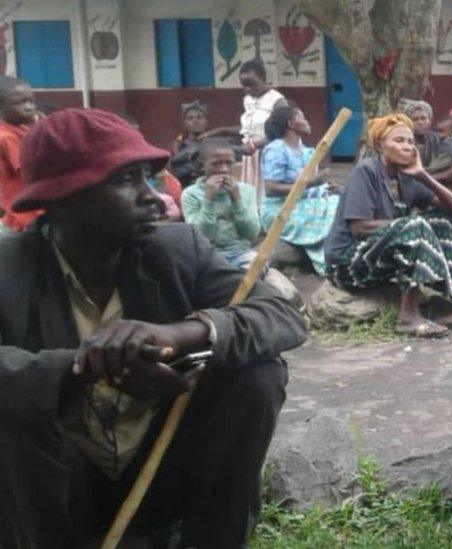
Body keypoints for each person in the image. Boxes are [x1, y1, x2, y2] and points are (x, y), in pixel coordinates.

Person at [0, 109, 306, 547]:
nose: (155, 198)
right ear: (63, 197)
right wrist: (84, 368)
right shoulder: (9, 270)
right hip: (57, 491)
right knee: (12, 415)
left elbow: (281, 316)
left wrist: (182, 334)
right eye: (127, 181)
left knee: (259, 374)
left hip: (160, 471)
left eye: (148, 177)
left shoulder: (179, 249)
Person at [324, 113, 452, 338]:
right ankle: (408, 317)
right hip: (348, 262)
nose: (407, 146)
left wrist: (422, 174)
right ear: (380, 145)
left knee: (442, 221)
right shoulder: (366, 171)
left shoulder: (406, 177)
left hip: (379, 258)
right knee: (415, 225)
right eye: (398, 141)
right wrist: (406, 225)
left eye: (410, 142)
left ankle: (448, 301)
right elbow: (359, 228)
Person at [261, 102, 334, 276]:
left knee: (340, 202)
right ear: (291, 124)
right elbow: (271, 188)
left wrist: (325, 186)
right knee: (333, 209)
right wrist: (310, 183)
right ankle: (327, 262)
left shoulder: (308, 151)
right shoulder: (276, 149)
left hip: (305, 205)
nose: (308, 121)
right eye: (302, 117)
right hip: (282, 209)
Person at [182, 138, 261, 270]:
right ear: (202, 165)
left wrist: (237, 200)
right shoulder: (191, 194)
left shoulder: (246, 190)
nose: (224, 169)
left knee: (256, 263)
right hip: (207, 256)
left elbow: (252, 233)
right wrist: (209, 200)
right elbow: (201, 237)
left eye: (229, 163)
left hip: (240, 254)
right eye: (216, 164)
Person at [239, 60, 286, 198]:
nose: (247, 89)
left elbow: (282, 132)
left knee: (264, 195)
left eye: (251, 85)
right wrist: (220, 130)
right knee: (251, 195)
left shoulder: (276, 100)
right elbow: (248, 127)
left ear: (263, 79)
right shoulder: (248, 100)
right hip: (250, 156)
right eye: (244, 86)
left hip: (268, 153)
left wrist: (256, 144)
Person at [0, 75, 40, 233]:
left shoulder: (21, 128)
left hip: (26, 210)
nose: (29, 107)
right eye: (20, 103)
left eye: (31, 101)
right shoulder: (7, 137)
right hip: (25, 216)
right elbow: (31, 171)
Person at [170, 101, 237, 188]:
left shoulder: (215, 143)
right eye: (190, 118)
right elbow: (175, 170)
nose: (196, 121)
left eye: (199, 117)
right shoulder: (178, 146)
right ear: (184, 124)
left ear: (206, 122)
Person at [401, 98, 452, 182]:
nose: (420, 122)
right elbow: (408, 175)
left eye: (423, 118)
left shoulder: (434, 137)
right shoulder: (404, 142)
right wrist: (445, 174)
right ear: (408, 123)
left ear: (429, 121)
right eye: (415, 119)